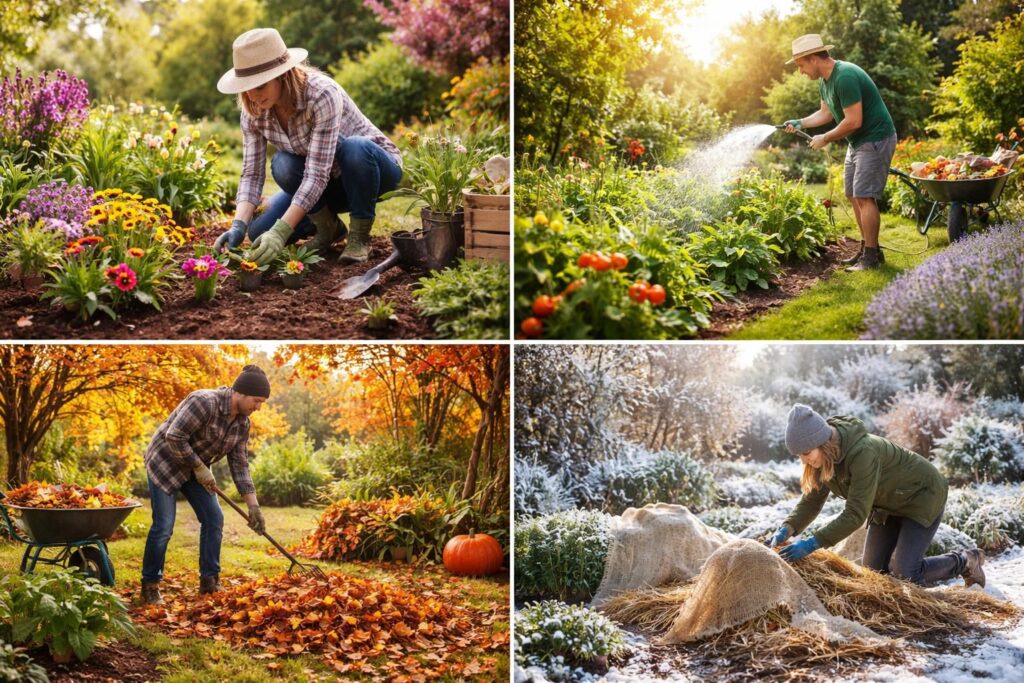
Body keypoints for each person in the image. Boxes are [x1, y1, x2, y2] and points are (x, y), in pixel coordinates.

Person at [212, 28, 403, 266]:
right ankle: (328, 229)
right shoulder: (253, 111)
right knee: (260, 229)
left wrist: (282, 232)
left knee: (355, 148)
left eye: (259, 85)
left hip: (371, 173)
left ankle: (359, 237)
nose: (252, 95)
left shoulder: (321, 94)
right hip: (326, 186)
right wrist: (237, 226)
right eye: (246, 86)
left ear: (282, 74)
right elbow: (251, 173)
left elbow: (316, 173)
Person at [766, 404, 986, 589]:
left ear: (822, 443)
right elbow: (812, 500)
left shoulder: (863, 453)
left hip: (921, 495)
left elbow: (855, 514)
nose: (803, 461)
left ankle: (967, 560)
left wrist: (813, 543)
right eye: (799, 456)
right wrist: (788, 527)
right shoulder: (822, 458)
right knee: (873, 573)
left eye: (805, 453)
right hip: (887, 504)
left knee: (905, 573)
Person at [140, 365, 271, 604]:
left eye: (262, 402)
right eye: (256, 400)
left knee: (214, 519)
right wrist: (200, 467)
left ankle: (209, 582)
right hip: (165, 462)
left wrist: (254, 507)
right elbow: (174, 436)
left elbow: (240, 465)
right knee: (164, 526)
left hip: (196, 469)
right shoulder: (203, 402)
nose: (258, 407)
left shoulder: (242, 424)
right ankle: (150, 585)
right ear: (239, 393)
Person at [782, 34, 897, 271]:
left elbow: (854, 121)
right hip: (858, 142)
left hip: (876, 138)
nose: (801, 72)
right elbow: (826, 114)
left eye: (801, 65)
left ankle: (872, 257)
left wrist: (824, 137)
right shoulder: (826, 81)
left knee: (865, 196)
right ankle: (867, 249)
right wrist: (801, 122)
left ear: (813, 58)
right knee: (853, 195)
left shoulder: (844, 76)